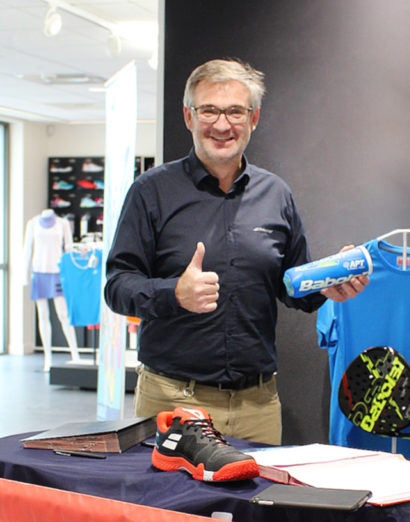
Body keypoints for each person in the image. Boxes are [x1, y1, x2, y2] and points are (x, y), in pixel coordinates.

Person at [104, 59, 367, 444]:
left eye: (235, 112)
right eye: (209, 110)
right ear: (189, 116)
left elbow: (292, 286)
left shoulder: (275, 194)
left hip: (257, 407)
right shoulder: (151, 192)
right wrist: (174, 293)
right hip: (173, 400)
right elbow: (117, 286)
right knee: (167, 489)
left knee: (257, 488)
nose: (222, 125)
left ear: (253, 118)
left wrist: (327, 284)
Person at [23, 209, 81, 372]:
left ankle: (75, 354)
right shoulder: (33, 223)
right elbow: (27, 249)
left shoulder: (63, 223)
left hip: (57, 272)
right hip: (38, 272)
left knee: (63, 314)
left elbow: (69, 248)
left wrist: (72, 272)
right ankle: (47, 358)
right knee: (42, 315)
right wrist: (24, 275)